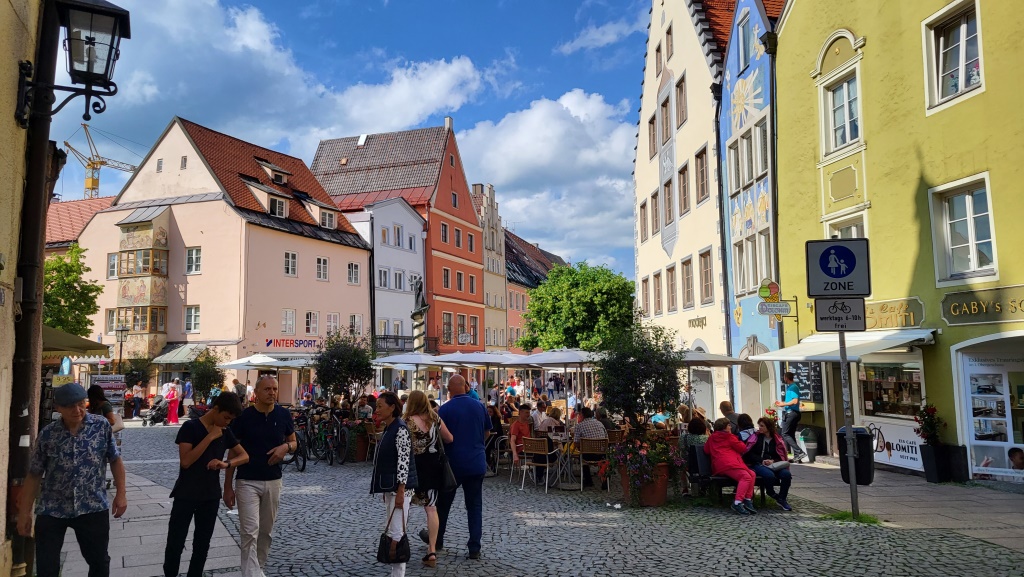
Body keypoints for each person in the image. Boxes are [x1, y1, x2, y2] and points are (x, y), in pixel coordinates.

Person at [18, 384, 128, 577]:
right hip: (52, 508)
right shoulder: (48, 435)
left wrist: (121, 494)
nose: (77, 410)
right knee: (46, 567)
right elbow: (34, 474)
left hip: (92, 505)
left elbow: (115, 460)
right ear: (58, 408)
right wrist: (24, 513)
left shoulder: (101, 426)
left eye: (81, 404)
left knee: (99, 562)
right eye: (70, 406)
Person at [164, 393, 249, 577]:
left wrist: (226, 464)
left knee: (202, 544)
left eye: (231, 420)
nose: (227, 422)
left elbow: (244, 456)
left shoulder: (225, 431)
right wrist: (209, 437)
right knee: (175, 542)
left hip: (210, 495)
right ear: (215, 409)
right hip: (186, 493)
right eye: (226, 417)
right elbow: (186, 461)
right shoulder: (190, 427)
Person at [225, 376, 297, 577]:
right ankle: (251, 574)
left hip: (273, 480)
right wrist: (227, 486)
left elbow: (294, 442)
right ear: (256, 393)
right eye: (267, 389)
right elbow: (232, 452)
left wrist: (285, 447)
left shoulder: (283, 414)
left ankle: (259, 568)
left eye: (274, 389)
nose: (272, 392)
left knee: (265, 531)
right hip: (247, 480)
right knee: (250, 531)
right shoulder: (243, 417)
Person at [425, 375, 490, 560]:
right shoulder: (479, 406)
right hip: (476, 462)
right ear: (465, 387)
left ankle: (437, 541)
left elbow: (439, 437)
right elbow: (487, 432)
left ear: (450, 389)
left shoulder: (445, 409)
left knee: (443, 505)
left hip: (452, 464)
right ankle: (474, 547)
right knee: (475, 506)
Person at [403, 390, 453, 568]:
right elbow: (449, 438)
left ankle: (399, 546)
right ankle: (431, 550)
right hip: (432, 466)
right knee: (431, 508)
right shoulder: (435, 419)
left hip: (411, 467)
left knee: (404, 507)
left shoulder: (406, 421)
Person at [371, 392, 419, 577]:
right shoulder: (390, 427)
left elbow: (403, 462)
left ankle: (398, 574)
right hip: (392, 488)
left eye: (380, 406)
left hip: (400, 490)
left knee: (397, 533)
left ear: (392, 408)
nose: (377, 410)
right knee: (393, 530)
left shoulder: (400, 429)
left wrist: (400, 490)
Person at [705, 418, 757, 515]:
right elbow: (743, 448)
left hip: (720, 465)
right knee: (746, 477)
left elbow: (706, 450)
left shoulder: (712, 437)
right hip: (729, 464)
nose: (731, 427)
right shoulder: (729, 437)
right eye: (729, 425)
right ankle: (738, 502)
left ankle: (747, 499)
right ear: (724, 428)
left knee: (752, 474)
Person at [744, 417, 793, 511]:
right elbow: (749, 454)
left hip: (774, 464)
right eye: (759, 425)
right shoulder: (756, 438)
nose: (759, 428)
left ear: (768, 427)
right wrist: (762, 460)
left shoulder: (777, 439)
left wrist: (773, 461)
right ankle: (771, 493)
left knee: (786, 474)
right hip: (758, 464)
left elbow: (781, 455)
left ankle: (782, 499)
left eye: (762, 426)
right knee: (769, 475)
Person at [775, 372, 808, 463]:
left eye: (784, 377)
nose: (783, 379)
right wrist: (782, 404)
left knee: (785, 433)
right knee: (791, 434)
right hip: (792, 412)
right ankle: (797, 456)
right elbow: (790, 401)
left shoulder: (793, 387)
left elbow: (795, 401)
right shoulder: (790, 387)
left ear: (786, 378)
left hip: (791, 413)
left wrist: (783, 404)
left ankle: (799, 452)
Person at [574, 407, 609, 489]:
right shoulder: (599, 423)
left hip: (588, 455)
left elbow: (576, 443)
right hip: (601, 454)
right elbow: (606, 438)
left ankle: (588, 480)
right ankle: (605, 480)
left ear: (582, 415)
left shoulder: (579, 426)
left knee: (582, 455)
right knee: (600, 456)